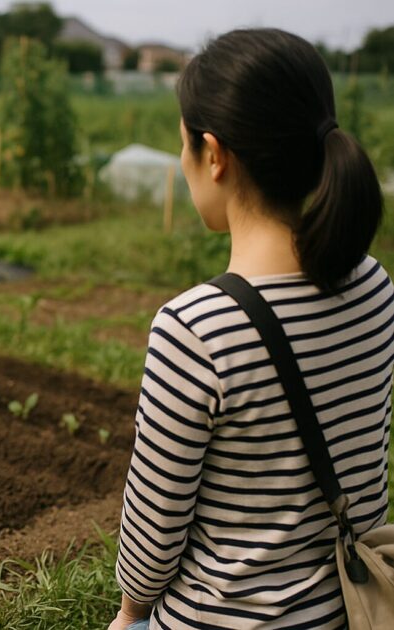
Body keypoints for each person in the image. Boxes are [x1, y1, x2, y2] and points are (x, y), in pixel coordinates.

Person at [109, 28, 391, 629]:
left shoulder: (194, 330)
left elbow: (151, 540)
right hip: (353, 611)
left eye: (184, 146)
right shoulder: (375, 286)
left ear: (214, 154)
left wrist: (129, 613)